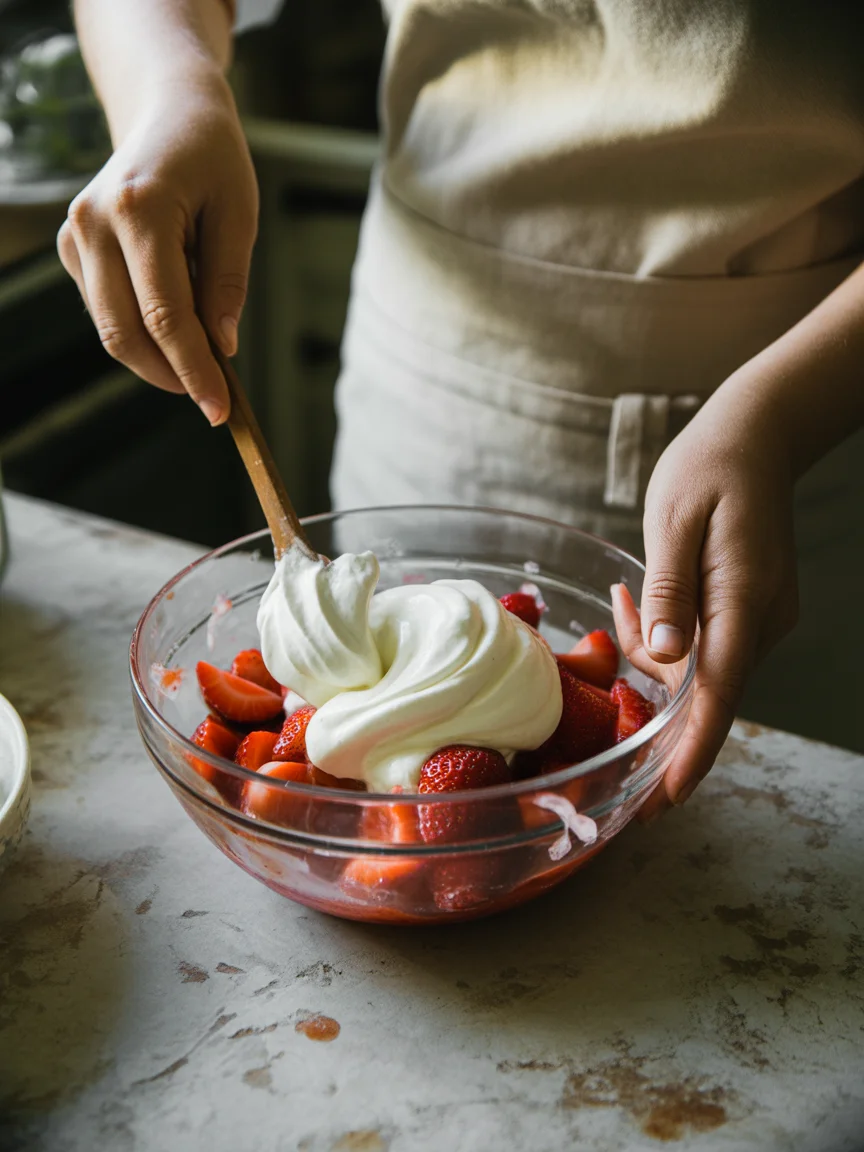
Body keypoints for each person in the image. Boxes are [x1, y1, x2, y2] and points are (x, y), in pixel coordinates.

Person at [59, 0, 864, 821]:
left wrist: (780, 416)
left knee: (775, 815)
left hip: (807, 399)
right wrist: (170, 91)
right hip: (426, 375)